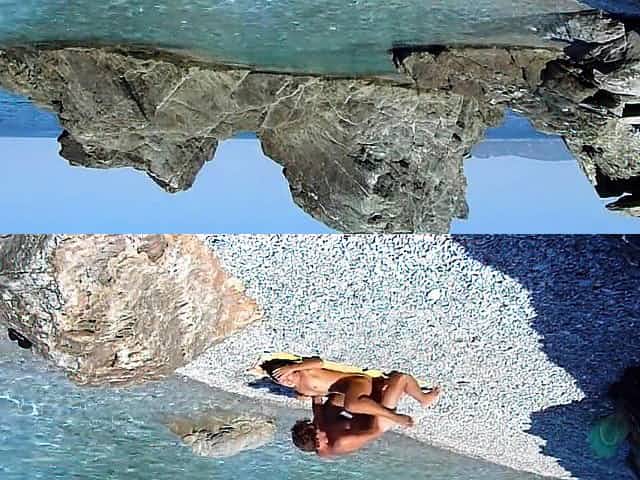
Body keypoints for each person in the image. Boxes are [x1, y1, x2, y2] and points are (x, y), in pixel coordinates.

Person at [290, 371, 441, 456]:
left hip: (356, 416)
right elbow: (375, 431)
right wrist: (389, 412)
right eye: (317, 431)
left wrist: (309, 390)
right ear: (319, 443)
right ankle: (424, 399)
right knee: (401, 379)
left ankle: (370, 393)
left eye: (314, 426)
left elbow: (318, 409)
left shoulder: (315, 436)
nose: (317, 426)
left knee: (334, 401)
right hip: (376, 423)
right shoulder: (341, 443)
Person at [262, 356, 440, 427]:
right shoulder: (298, 387)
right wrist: (303, 396)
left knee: (352, 405)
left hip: (356, 382)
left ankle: (394, 416)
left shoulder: (305, 371)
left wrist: (294, 366)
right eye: (281, 381)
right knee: (344, 413)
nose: (286, 381)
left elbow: (319, 362)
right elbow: (319, 393)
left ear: (291, 369)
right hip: (346, 392)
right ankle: (422, 398)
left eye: (286, 375)